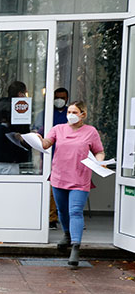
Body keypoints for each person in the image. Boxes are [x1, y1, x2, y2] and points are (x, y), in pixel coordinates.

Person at [40, 101, 105, 268]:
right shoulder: (58, 129)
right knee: (62, 210)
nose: (70, 114)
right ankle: (67, 235)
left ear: (83, 114)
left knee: (75, 211)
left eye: (74, 112)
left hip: (80, 178)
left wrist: (100, 162)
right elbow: (47, 143)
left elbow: (99, 151)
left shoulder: (90, 132)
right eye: (69, 111)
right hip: (59, 176)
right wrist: (39, 140)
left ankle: (76, 246)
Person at [35, 88, 70, 229]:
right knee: (52, 188)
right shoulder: (46, 114)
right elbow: (39, 132)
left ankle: (69, 217)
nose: (60, 100)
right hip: (50, 156)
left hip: (69, 158)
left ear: (67, 99)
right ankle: (52, 218)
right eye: (57, 97)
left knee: (70, 187)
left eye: (62, 97)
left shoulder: (71, 114)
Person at [0, 81, 32, 175]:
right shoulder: (15, 107)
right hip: (11, 155)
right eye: (25, 93)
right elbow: (21, 130)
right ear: (20, 94)